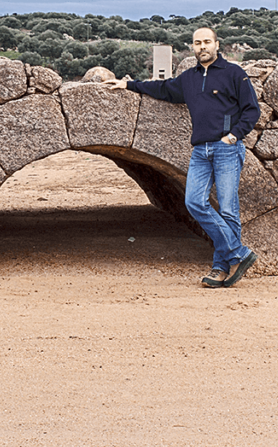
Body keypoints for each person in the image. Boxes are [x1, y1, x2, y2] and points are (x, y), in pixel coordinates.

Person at [105, 27, 260, 288]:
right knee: (194, 202)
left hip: (227, 149)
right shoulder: (189, 78)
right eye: (197, 43)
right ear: (193, 47)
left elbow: (251, 110)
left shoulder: (234, 73)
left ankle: (221, 268)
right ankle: (238, 254)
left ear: (217, 45)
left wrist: (233, 136)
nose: (202, 47)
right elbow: (164, 88)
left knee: (228, 210)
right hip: (200, 150)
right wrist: (129, 84)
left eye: (207, 42)